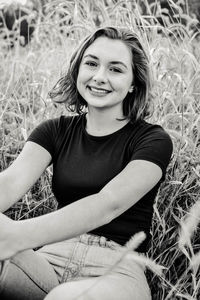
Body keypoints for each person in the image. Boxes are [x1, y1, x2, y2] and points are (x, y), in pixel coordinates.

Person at [0, 26, 173, 300]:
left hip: (116, 269)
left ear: (133, 83)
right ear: (78, 70)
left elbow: (107, 204)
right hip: (48, 261)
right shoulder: (53, 131)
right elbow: (9, 184)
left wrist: (17, 235)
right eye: (91, 63)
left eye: (115, 69)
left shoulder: (153, 140)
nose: (99, 77)